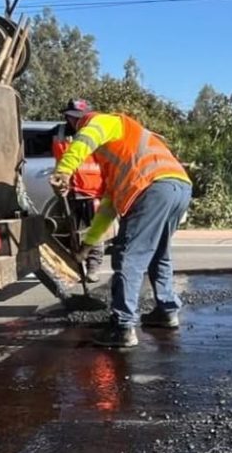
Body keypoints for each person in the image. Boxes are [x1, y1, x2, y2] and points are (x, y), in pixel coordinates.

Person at [50, 102, 192, 349]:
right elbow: (108, 206)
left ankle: (122, 327)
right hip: (179, 186)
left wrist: (63, 171)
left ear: (75, 120)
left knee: (129, 256)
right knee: (159, 253)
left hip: (153, 188)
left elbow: (85, 139)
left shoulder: (102, 122)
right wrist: (88, 245)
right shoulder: (119, 155)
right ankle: (167, 311)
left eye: (72, 122)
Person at [52, 99, 106, 284]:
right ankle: (76, 268)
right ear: (67, 116)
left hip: (93, 190)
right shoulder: (58, 133)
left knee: (95, 232)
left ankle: (93, 268)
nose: (75, 121)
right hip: (69, 191)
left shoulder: (96, 133)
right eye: (72, 117)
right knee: (72, 232)